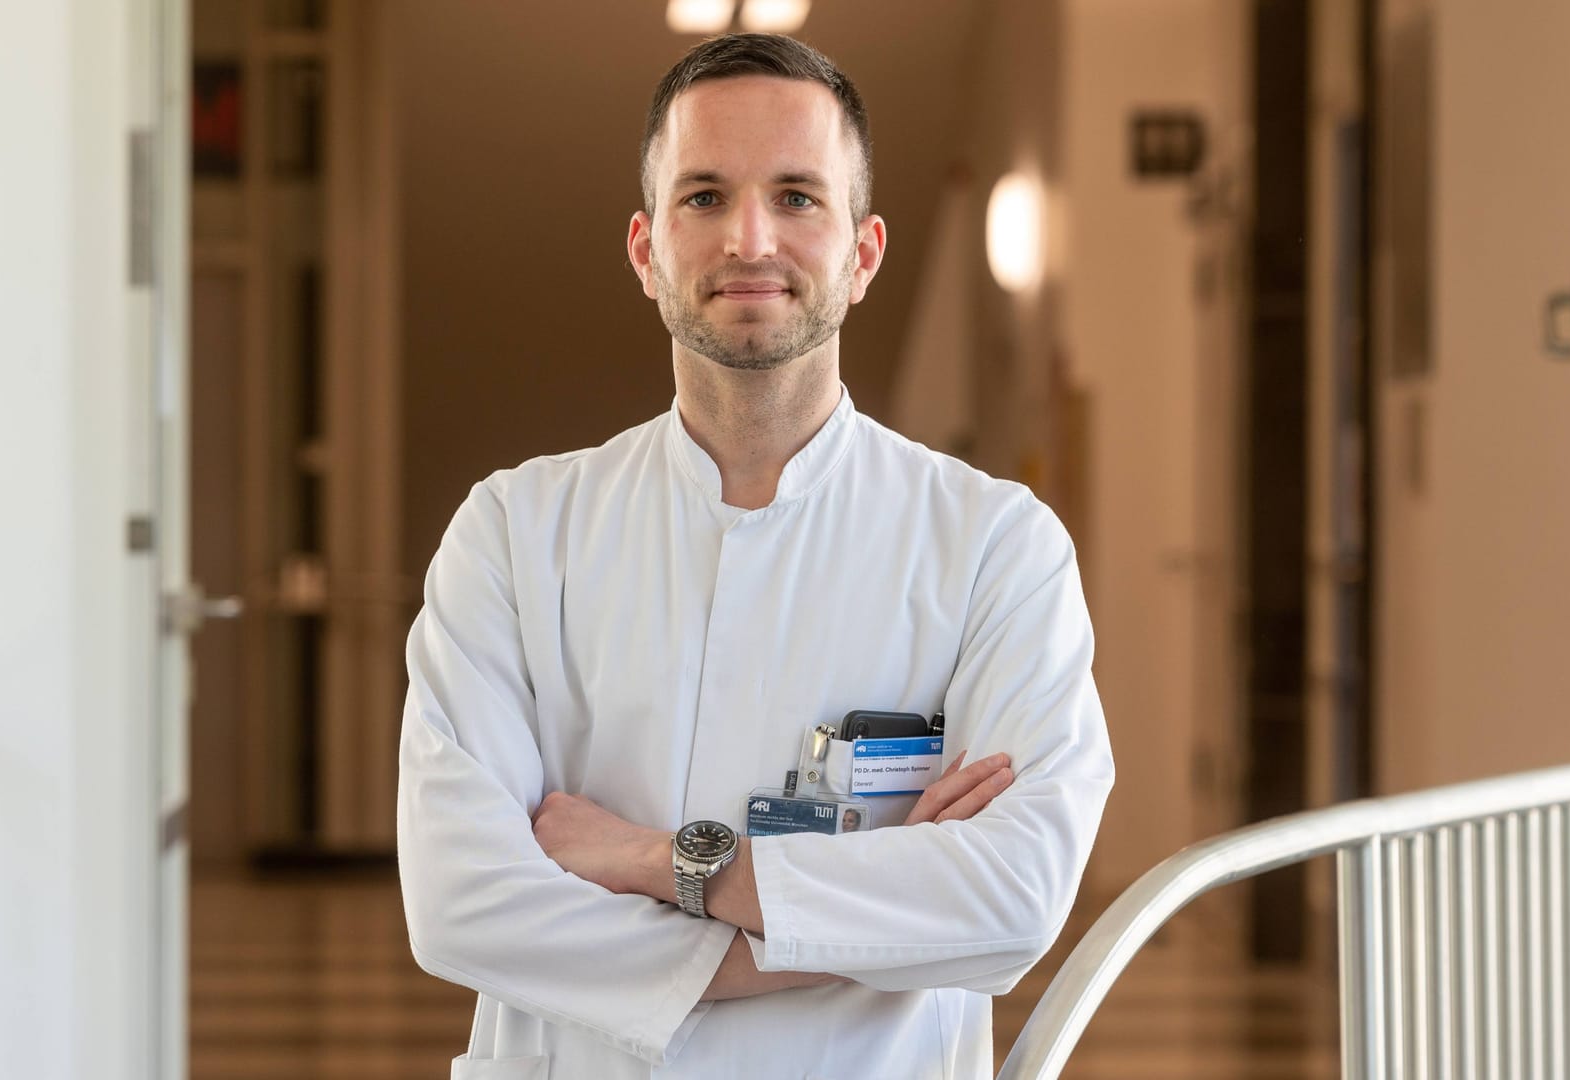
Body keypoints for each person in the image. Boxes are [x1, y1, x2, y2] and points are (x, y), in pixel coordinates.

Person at [397, 32, 1113, 1080]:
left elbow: (1013, 899)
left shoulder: (997, 548)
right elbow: (460, 903)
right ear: (645, 251)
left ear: (864, 253)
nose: (749, 238)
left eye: (796, 195)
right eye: (703, 196)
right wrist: (858, 920)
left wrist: (660, 863)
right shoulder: (514, 531)